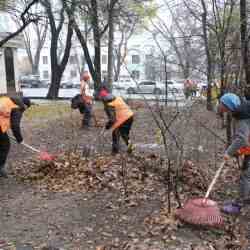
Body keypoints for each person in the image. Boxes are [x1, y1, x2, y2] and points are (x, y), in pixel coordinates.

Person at [218, 93, 250, 214]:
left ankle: (238, 205)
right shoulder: (244, 110)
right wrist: (239, 151)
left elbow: (241, 139)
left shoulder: (242, 115)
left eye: (222, 103)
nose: (219, 106)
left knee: (246, 176)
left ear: (228, 106)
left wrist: (229, 152)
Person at [0, 96, 31, 178]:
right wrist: (19, 139)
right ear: (25, 106)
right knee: (5, 145)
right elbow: (15, 126)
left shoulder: (6, 100)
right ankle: (0, 167)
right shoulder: (17, 107)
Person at [98, 88, 134, 154]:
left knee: (115, 133)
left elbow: (112, 119)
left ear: (103, 99)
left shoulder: (109, 104)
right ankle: (130, 146)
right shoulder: (117, 98)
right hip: (130, 116)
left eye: (101, 99)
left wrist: (106, 127)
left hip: (123, 119)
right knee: (124, 133)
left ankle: (115, 151)